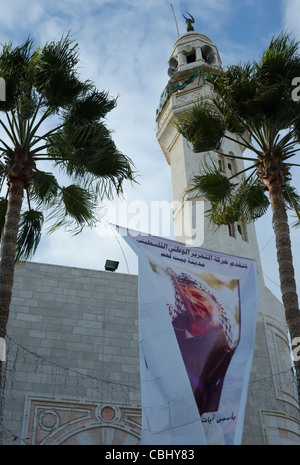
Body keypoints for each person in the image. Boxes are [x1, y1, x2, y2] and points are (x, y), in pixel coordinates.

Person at [166, 268, 239, 415]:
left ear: (218, 308)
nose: (191, 301)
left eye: (198, 296)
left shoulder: (228, 356)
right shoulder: (166, 335)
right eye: (185, 298)